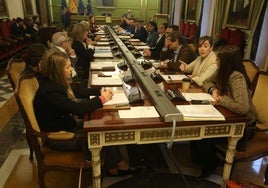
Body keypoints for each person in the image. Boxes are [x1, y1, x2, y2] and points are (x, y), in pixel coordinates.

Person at [34, 50, 136, 176]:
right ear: (56, 71)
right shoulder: (50, 91)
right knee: (104, 131)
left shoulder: (52, 82)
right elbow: (77, 109)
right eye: (67, 67)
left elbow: (77, 91)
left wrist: (99, 91)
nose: (71, 69)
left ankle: (115, 165)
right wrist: (102, 99)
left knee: (105, 126)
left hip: (66, 125)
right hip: (60, 138)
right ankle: (117, 166)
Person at [190, 45, 257, 178]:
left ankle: (210, 165)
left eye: (218, 59)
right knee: (196, 128)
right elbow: (207, 81)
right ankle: (202, 161)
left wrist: (221, 99)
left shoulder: (236, 77)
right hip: (227, 113)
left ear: (226, 62)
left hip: (244, 124)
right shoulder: (222, 71)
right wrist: (213, 90)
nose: (216, 62)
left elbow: (242, 108)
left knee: (203, 135)